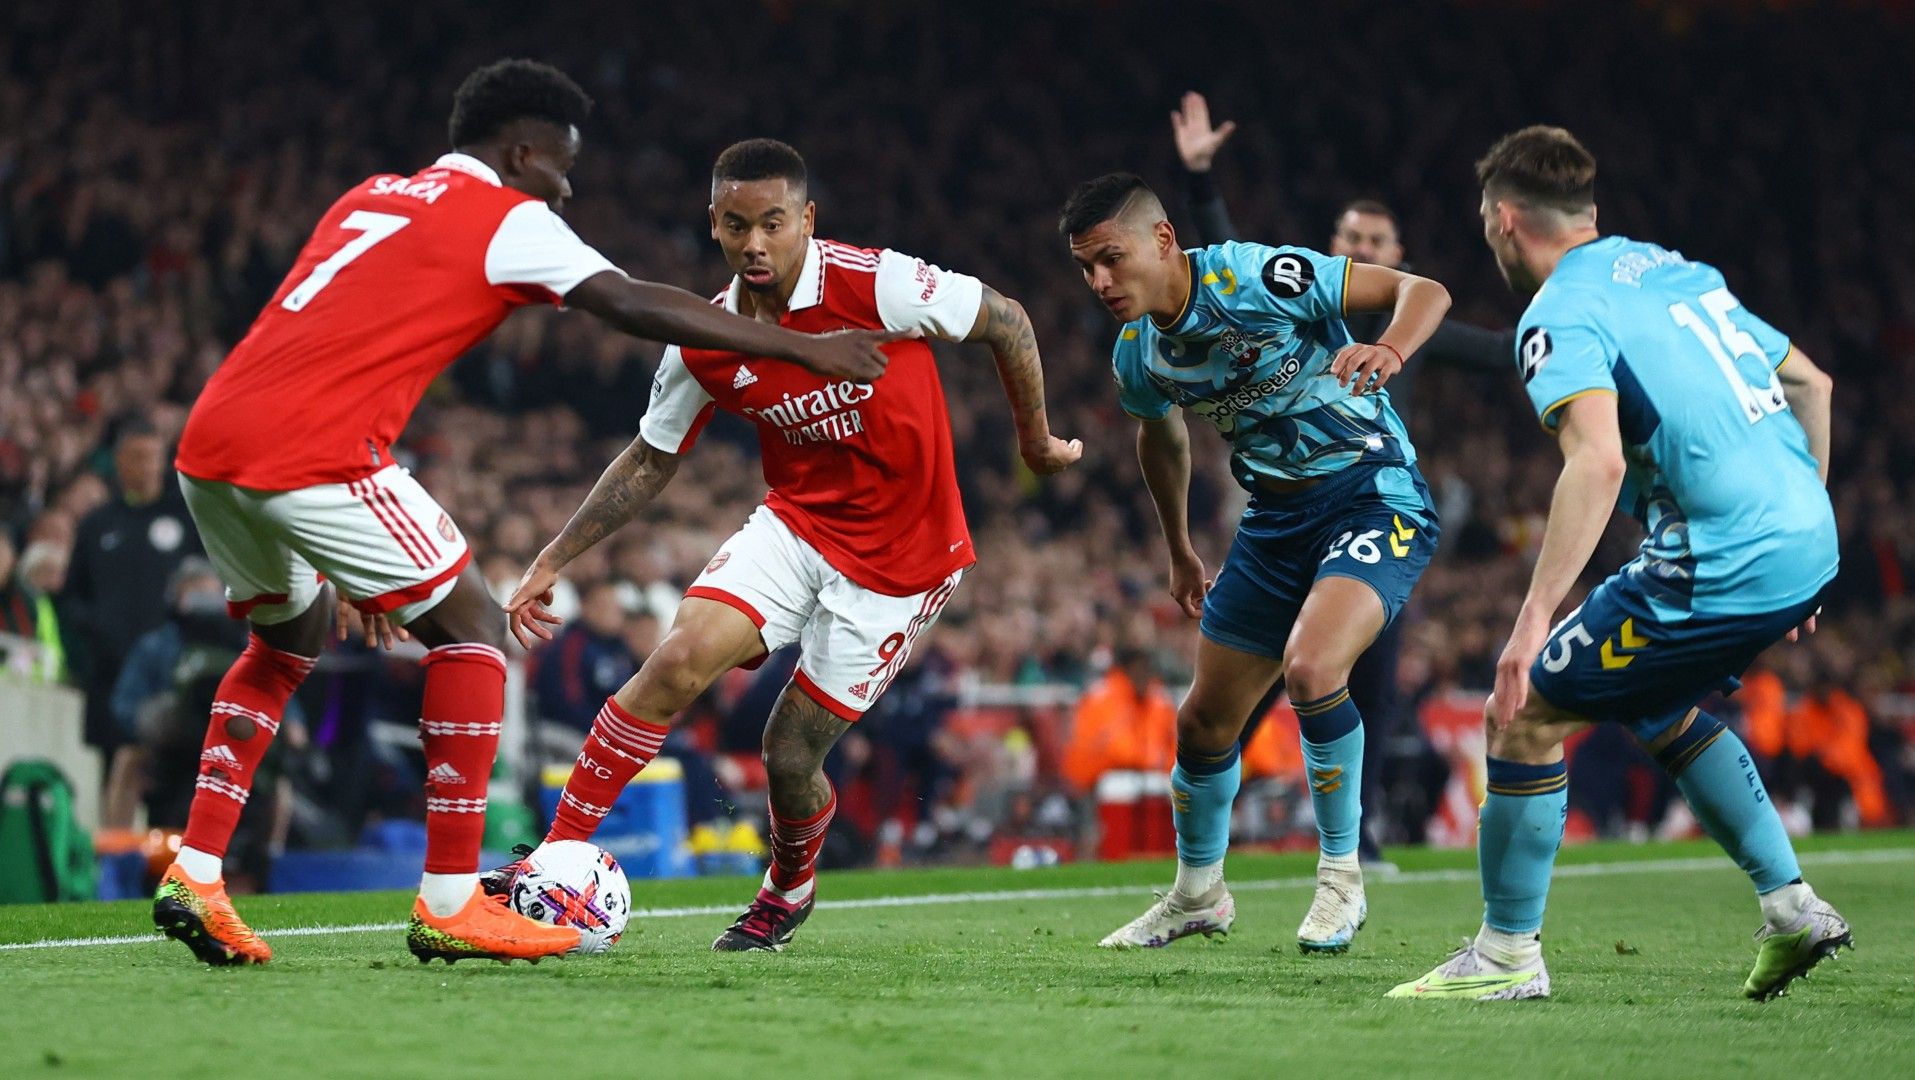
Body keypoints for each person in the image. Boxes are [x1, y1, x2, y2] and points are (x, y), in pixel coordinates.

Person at [154, 60, 902, 968]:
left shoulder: (374, 196)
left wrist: (338, 547)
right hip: (311, 452)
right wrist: (797, 346)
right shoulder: (506, 217)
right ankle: (451, 899)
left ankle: (194, 869)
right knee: (472, 630)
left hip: (213, 443)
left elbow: (332, 336)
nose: (567, 185)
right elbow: (629, 303)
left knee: (284, 644)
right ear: (519, 152)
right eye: (560, 165)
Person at [489, 138, 1079, 952]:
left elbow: (1005, 318)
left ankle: (789, 884)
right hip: (796, 523)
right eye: (736, 226)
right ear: (714, 224)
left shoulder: (877, 283)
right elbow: (650, 458)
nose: (755, 244)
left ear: (807, 219)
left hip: (903, 561)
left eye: (773, 223)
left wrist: (1037, 442)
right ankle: (551, 857)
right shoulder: (705, 334)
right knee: (674, 660)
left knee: (789, 751)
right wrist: (552, 558)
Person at [1389, 126, 1848, 1002]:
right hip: (1805, 536)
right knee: (1652, 700)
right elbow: (1811, 385)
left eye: (1488, 222)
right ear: (1588, 214)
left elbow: (1595, 461)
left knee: (1518, 715)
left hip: (1718, 558)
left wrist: (1529, 624)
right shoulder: (1678, 271)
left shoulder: (1557, 311)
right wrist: (1804, 536)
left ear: (1505, 220)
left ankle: (1503, 957)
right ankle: (1792, 908)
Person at [1059, 173, 1450, 952]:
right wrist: (1177, 547)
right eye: (1085, 268)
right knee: (1202, 724)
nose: (1100, 282)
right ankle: (1196, 895)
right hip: (1273, 523)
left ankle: (1341, 879)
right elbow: (1159, 434)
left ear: (1162, 240)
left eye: (1111, 258)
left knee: (1311, 670)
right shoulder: (1139, 351)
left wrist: (1388, 344)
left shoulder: (1257, 275)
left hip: (1371, 495)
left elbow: (1425, 290)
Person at [1171, 91, 1511, 861]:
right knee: (1251, 686)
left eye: (1377, 237)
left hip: (1368, 511)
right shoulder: (1293, 308)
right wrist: (1200, 180)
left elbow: (1500, 352)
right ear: (1334, 244)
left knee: (1370, 683)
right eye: (1353, 236)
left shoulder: (1413, 329)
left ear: (1397, 251)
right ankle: (1211, 848)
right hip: (1286, 509)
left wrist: (1573, 317)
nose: (1365, 243)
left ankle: (1351, 844)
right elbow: (1222, 264)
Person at [64, 417, 201, 760]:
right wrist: (96, 627)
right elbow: (72, 594)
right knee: (115, 765)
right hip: (111, 671)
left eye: (153, 456)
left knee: (169, 775)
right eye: (136, 456)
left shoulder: (188, 522)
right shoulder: (97, 525)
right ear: (119, 461)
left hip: (169, 675)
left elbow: (208, 585)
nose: (146, 466)